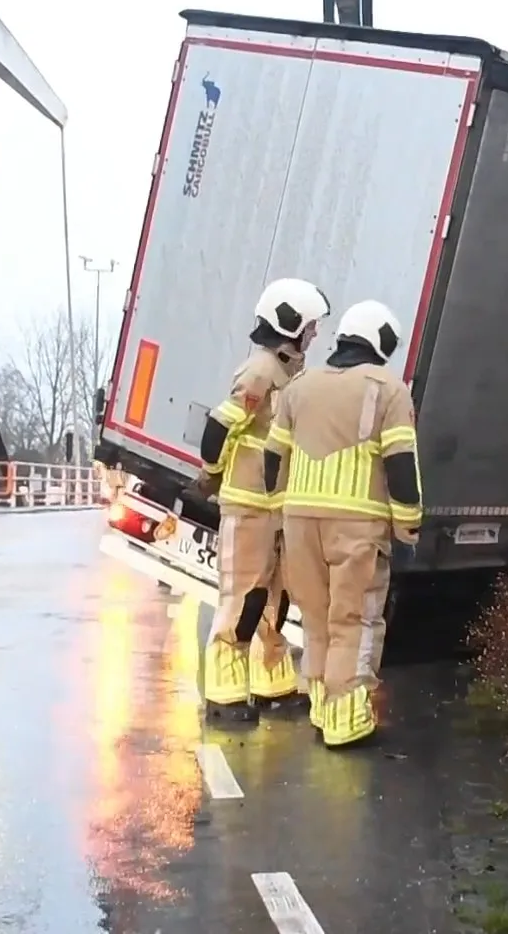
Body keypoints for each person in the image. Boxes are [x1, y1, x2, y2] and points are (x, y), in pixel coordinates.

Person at [263, 299, 422, 747]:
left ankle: (319, 704)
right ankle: (347, 717)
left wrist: (279, 511)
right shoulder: (388, 389)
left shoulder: (300, 386)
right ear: (380, 341)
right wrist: (408, 526)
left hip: (299, 521)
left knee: (316, 616)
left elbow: (273, 455)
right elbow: (402, 465)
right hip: (358, 527)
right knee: (355, 619)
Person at [197, 277, 330, 715]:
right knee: (244, 598)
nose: (313, 335)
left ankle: (272, 683)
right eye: (309, 328)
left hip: (277, 509)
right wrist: (211, 475)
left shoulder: (289, 374)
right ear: (289, 325)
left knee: (277, 598)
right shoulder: (261, 373)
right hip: (250, 506)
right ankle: (223, 690)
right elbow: (220, 427)